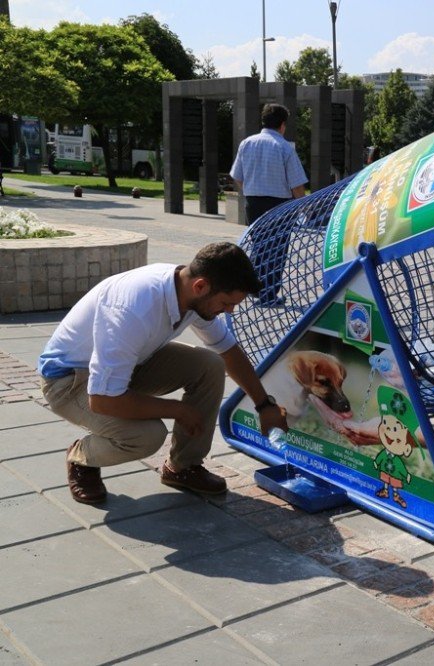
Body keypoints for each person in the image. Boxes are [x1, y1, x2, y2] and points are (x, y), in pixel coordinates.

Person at [37, 242, 289, 504]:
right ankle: (82, 456)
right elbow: (103, 400)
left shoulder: (190, 292)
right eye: (226, 303)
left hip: (126, 367)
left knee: (210, 365)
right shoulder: (133, 307)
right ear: (201, 286)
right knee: (146, 436)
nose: (230, 311)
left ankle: (183, 468)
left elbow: (228, 351)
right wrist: (177, 410)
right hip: (68, 381)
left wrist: (264, 404)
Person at [230, 103, 308, 305]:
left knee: (259, 246)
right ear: (283, 125)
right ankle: (269, 294)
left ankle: (256, 288)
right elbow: (297, 185)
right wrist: (305, 208)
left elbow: (237, 177)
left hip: (253, 202)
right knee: (277, 249)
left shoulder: (246, 143)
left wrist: (250, 190)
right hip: (280, 206)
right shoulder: (284, 147)